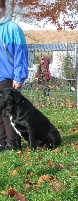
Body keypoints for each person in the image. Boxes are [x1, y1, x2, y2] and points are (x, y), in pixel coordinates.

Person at [0, 0, 28, 151]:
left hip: (7, 77)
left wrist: (19, 77)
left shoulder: (13, 29)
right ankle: (1, 142)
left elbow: (20, 55)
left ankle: (13, 143)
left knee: (8, 112)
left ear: (3, 8)